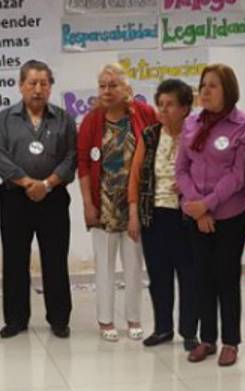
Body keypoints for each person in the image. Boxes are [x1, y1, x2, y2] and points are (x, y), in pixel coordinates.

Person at [0, 60, 77, 339]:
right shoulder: (5, 118)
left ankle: (59, 319)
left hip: (53, 198)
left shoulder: (64, 119)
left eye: (44, 83)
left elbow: (71, 158)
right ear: (21, 86)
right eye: (32, 83)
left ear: (50, 87)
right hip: (15, 198)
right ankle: (15, 320)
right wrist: (28, 183)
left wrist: (47, 184)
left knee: (55, 259)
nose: (38, 89)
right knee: (15, 260)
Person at [177, 64, 245, 367]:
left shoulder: (244, 126)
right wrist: (197, 207)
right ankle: (207, 339)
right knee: (202, 276)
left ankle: (231, 341)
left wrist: (208, 204)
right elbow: (181, 169)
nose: (205, 91)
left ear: (228, 90)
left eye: (213, 86)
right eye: (203, 85)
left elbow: (238, 175)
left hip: (231, 212)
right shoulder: (191, 123)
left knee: (226, 276)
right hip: (196, 211)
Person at [79, 63, 157, 342]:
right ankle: (106, 320)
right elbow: (83, 165)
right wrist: (88, 205)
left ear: (126, 88)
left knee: (134, 265)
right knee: (104, 267)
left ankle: (134, 318)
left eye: (113, 85)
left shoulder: (144, 113)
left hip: (135, 205)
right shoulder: (92, 120)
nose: (107, 91)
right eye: (102, 86)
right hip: (103, 204)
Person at [128, 78, 198, 350]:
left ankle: (189, 331)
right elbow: (136, 176)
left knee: (189, 275)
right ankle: (163, 328)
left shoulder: (196, 134)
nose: (164, 110)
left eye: (170, 104)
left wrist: (190, 185)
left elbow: (205, 172)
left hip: (185, 216)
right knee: (159, 276)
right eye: (160, 104)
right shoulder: (150, 135)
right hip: (154, 215)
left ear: (185, 108)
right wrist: (134, 213)